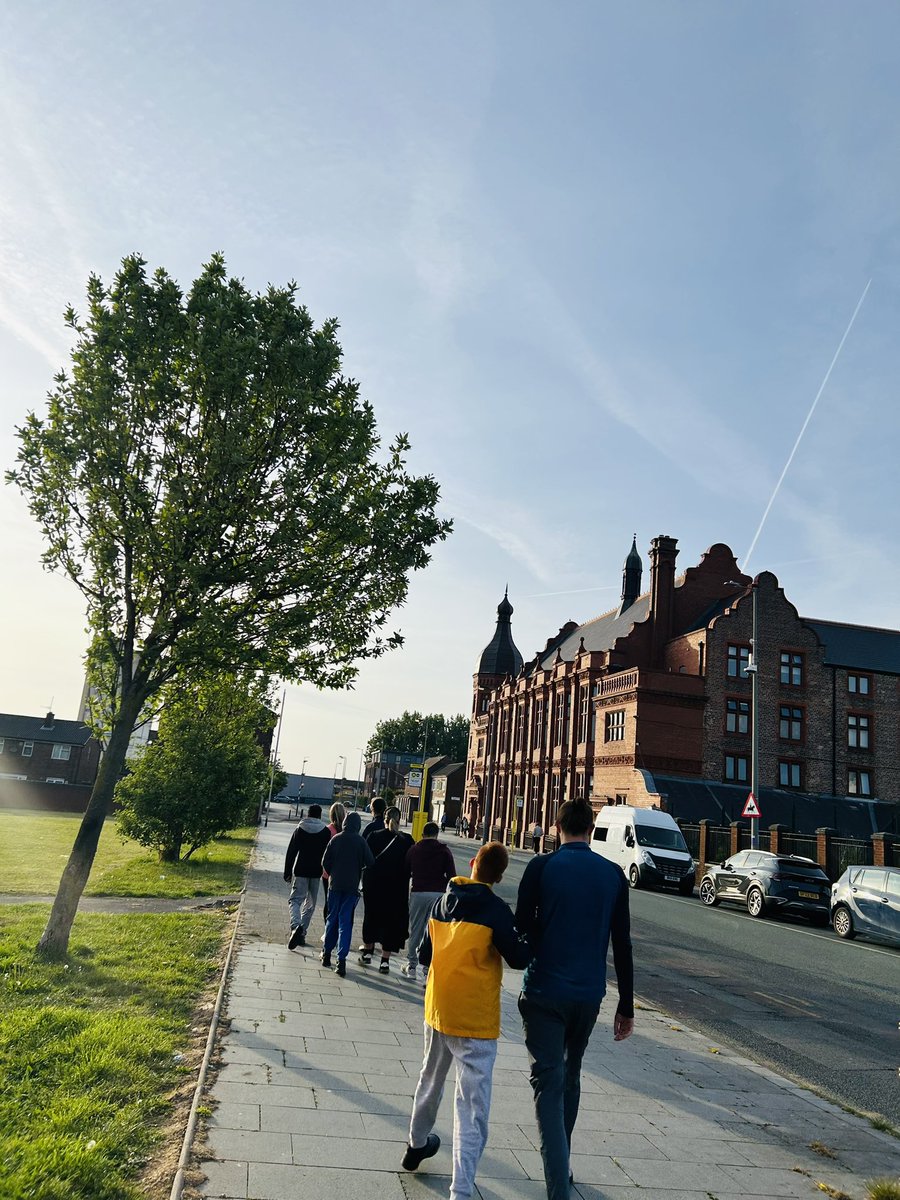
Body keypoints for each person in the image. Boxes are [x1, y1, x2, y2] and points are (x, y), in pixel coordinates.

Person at [515, 798, 634, 1200]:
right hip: (588, 996)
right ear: (591, 828)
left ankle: (557, 1188)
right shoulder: (614, 874)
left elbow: (521, 929)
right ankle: (561, 1166)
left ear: (558, 825)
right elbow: (623, 944)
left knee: (547, 1084)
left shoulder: (542, 867)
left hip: (545, 991)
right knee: (572, 1074)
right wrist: (627, 1006)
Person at [402, 842, 531, 1197]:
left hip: (438, 1008)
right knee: (471, 1106)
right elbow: (519, 958)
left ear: (472, 864)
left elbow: (425, 954)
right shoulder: (496, 910)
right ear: (499, 877)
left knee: (430, 1077)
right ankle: (461, 1188)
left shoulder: (441, 904)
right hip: (474, 1019)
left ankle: (415, 1143)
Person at [359, 805, 414, 973]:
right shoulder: (407, 840)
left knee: (371, 918)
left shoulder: (373, 837)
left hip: (374, 886)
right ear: (400, 821)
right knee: (391, 923)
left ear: (384, 820)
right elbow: (411, 864)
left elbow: (365, 859)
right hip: (397, 889)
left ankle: (368, 953)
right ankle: (385, 961)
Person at [320, 810, 373, 976]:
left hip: (334, 884)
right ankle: (341, 960)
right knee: (345, 923)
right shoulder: (361, 841)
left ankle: (327, 953)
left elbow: (324, 861)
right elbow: (370, 862)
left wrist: (332, 872)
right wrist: (358, 869)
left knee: (332, 918)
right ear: (357, 825)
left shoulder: (336, 839)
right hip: (351, 887)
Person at [403, 821, 456, 980]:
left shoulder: (414, 849)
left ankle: (412, 966)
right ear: (437, 834)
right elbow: (452, 876)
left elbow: (405, 871)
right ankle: (427, 968)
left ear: (422, 834)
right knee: (434, 931)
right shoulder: (444, 851)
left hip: (418, 892)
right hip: (438, 896)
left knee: (416, 929)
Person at [283, 803, 332, 949]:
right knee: (310, 904)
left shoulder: (300, 829)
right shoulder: (325, 832)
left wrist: (287, 872)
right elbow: (328, 855)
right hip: (317, 872)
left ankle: (295, 927)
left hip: (301, 870)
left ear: (308, 814)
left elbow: (291, 851)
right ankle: (302, 933)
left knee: (295, 900)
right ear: (319, 815)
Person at [321, 801, 346, 922]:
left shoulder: (327, 830)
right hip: (344, 873)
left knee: (328, 901)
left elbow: (324, 853)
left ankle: (328, 929)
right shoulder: (347, 832)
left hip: (328, 873)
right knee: (342, 903)